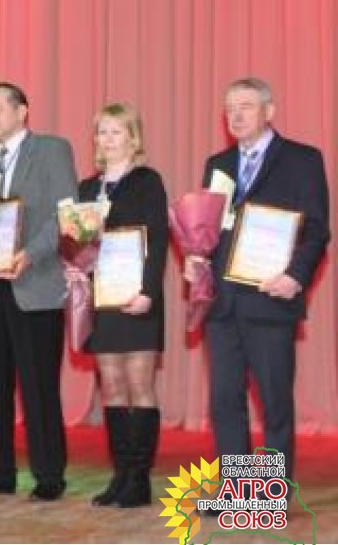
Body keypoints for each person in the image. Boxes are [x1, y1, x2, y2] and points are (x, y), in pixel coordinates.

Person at [186, 77, 330, 501]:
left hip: (271, 298)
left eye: (246, 106)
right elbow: (208, 230)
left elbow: (317, 230)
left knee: (274, 402)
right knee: (225, 402)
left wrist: (296, 277)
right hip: (222, 304)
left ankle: (270, 493)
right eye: (230, 107)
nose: (236, 115)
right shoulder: (218, 164)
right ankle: (237, 491)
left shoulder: (302, 159)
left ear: (269, 111)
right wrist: (196, 258)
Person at [0, 82, 77, 501]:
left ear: (22, 111)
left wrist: (29, 254)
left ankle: (49, 474)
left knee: (38, 384)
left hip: (34, 281)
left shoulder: (52, 150)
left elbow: (64, 214)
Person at [76, 103, 168, 507]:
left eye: (116, 132)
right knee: (111, 385)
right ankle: (121, 475)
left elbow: (159, 239)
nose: (108, 139)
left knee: (139, 384)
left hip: (137, 295)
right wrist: (76, 265)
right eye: (102, 132)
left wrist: (148, 291)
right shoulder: (85, 189)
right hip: (103, 298)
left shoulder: (148, 181)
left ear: (133, 138)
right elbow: (76, 246)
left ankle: (140, 479)